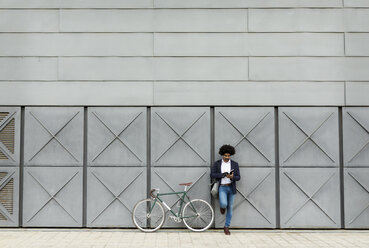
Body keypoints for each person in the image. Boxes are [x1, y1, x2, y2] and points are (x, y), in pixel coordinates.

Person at [210, 144, 240, 235]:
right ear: (222, 155)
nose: (227, 157)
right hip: (222, 187)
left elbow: (238, 177)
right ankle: (222, 207)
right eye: (225, 155)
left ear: (230, 155)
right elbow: (212, 175)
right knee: (224, 203)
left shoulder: (235, 164)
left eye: (228, 155)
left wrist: (232, 177)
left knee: (230, 208)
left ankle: (226, 227)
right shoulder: (217, 163)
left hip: (231, 187)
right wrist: (222, 175)